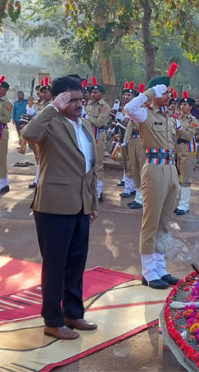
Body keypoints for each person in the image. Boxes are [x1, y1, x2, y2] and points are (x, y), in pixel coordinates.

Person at [22, 75, 99, 340]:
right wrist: (52, 107)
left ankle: (73, 314)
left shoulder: (85, 125)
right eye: (72, 99)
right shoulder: (50, 123)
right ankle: (52, 320)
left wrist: (92, 203)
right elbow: (28, 134)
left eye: (80, 98)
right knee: (55, 266)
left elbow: (91, 168)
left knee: (76, 263)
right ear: (59, 99)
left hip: (80, 205)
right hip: (53, 206)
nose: (79, 103)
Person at [125, 63, 181, 289]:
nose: (169, 95)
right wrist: (149, 92)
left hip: (170, 169)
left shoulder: (169, 117)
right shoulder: (144, 113)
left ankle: (160, 268)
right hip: (155, 168)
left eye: (168, 91)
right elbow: (128, 108)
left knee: (165, 222)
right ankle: (148, 272)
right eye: (165, 91)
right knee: (151, 221)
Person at [85, 77, 111, 202]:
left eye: (95, 92)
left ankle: (99, 191)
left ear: (101, 94)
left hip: (98, 136)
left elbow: (100, 123)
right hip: (88, 134)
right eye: (92, 92)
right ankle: (88, 188)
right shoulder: (88, 105)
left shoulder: (105, 107)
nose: (92, 94)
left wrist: (86, 117)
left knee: (98, 164)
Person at [174, 91, 199, 215]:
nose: (183, 106)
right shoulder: (176, 118)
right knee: (177, 177)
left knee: (186, 178)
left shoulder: (193, 120)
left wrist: (179, 128)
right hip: (176, 148)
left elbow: (189, 136)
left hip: (187, 149)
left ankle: (184, 205)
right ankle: (178, 202)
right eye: (181, 104)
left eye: (185, 104)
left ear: (190, 107)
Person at [124, 83, 146, 209]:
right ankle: (138, 197)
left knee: (142, 168)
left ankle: (142, 197)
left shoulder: (145, 113)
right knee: (135, 169)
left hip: (141, 141)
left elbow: (141, 127)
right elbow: (129, 128)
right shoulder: (134, 114)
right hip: (133, 141)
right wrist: (125, 140)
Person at [117, 82, 138, 199]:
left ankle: (130, 188)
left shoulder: (136, 109)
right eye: (125, 95)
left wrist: (124, 120)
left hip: (134, 138)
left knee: (132, 163)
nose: (126, 97)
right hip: (124, 137)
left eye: (129, 95)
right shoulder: (122, 108)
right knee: (126, 162)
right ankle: (129, 185)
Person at [0, 75, 12, 194]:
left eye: (0, 87)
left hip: (2, 131)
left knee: (1, 157)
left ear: (5, 89)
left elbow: (6, 118)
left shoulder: (7, 103)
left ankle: (3, 183)